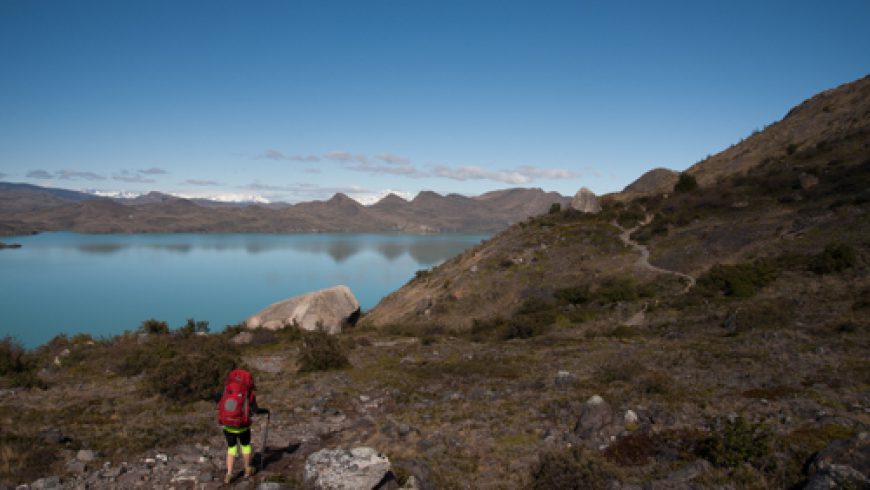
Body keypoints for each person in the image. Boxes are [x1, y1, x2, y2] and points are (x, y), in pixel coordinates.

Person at [216, 368, 268, 484]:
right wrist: (265, 411)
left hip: (228, 425)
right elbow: (255, 410)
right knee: (245, 445)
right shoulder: (248, 392)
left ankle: (229, 474)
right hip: (242, 426)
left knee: (231, 448)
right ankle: (247, 468)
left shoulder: (228, 389)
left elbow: (219, 401)